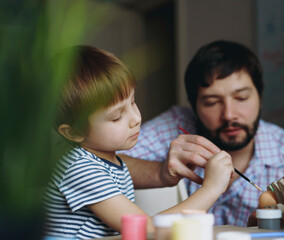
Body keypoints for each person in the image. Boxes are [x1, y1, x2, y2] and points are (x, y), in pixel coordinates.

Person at [42, 45, 234, 239]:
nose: (136, 118)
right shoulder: (79, 166)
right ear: (73, 132)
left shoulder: (105, 160)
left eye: (133, 102)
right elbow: (146, 229)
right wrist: (211, 189)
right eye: (117, 117)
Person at [121, 40, 284, 226]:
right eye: (212, 102)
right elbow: (97, 164)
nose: (229, 115)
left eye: (241, 98)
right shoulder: (176, 125)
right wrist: (159, 172)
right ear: (194, 107)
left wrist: (263, 231)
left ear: (260, 98)